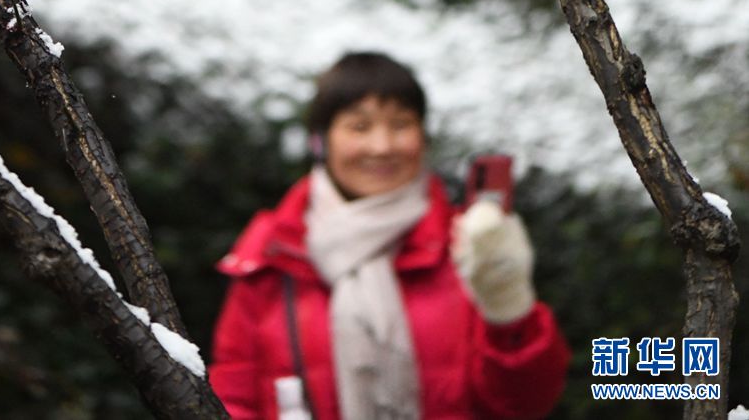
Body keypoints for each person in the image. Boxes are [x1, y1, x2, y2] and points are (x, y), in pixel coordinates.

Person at [210, 51, 570, 420]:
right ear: (321, 141)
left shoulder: (471, 243)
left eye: (400, 124)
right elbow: (235, 399)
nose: (382, 146)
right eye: (359, 127)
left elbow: (526, 404)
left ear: (423, 137)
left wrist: (509, 308)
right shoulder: (274, 252)